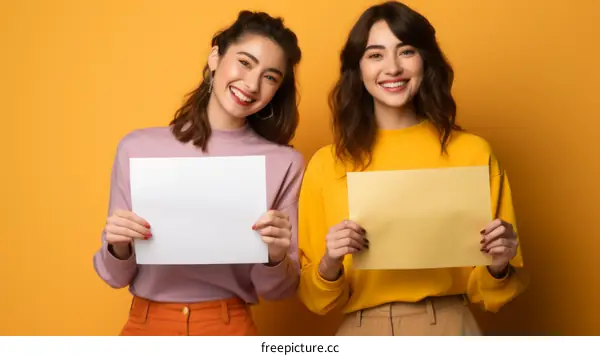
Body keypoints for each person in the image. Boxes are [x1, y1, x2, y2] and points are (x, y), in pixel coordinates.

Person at [296, 1, 528, 336]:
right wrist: (330, 262)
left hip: (450, 325)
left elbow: (492, 295)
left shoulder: (472, 153)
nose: (392, 67)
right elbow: (315, 299)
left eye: (405, 52)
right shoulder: (327, 163)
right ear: (358, 69)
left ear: (425, 60)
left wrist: (500, 264)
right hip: (362, 331)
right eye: (375, 55)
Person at [92, 10, 304, 336]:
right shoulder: (137, 148)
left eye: (270, 77)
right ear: (216, 57)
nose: (251, 84)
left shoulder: (283, 163)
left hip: (229, 326)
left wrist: (275, 256)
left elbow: (279, 290)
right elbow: (114, 276)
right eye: (245, 63)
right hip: (147, 325)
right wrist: (118, 246)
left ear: (277, 89)